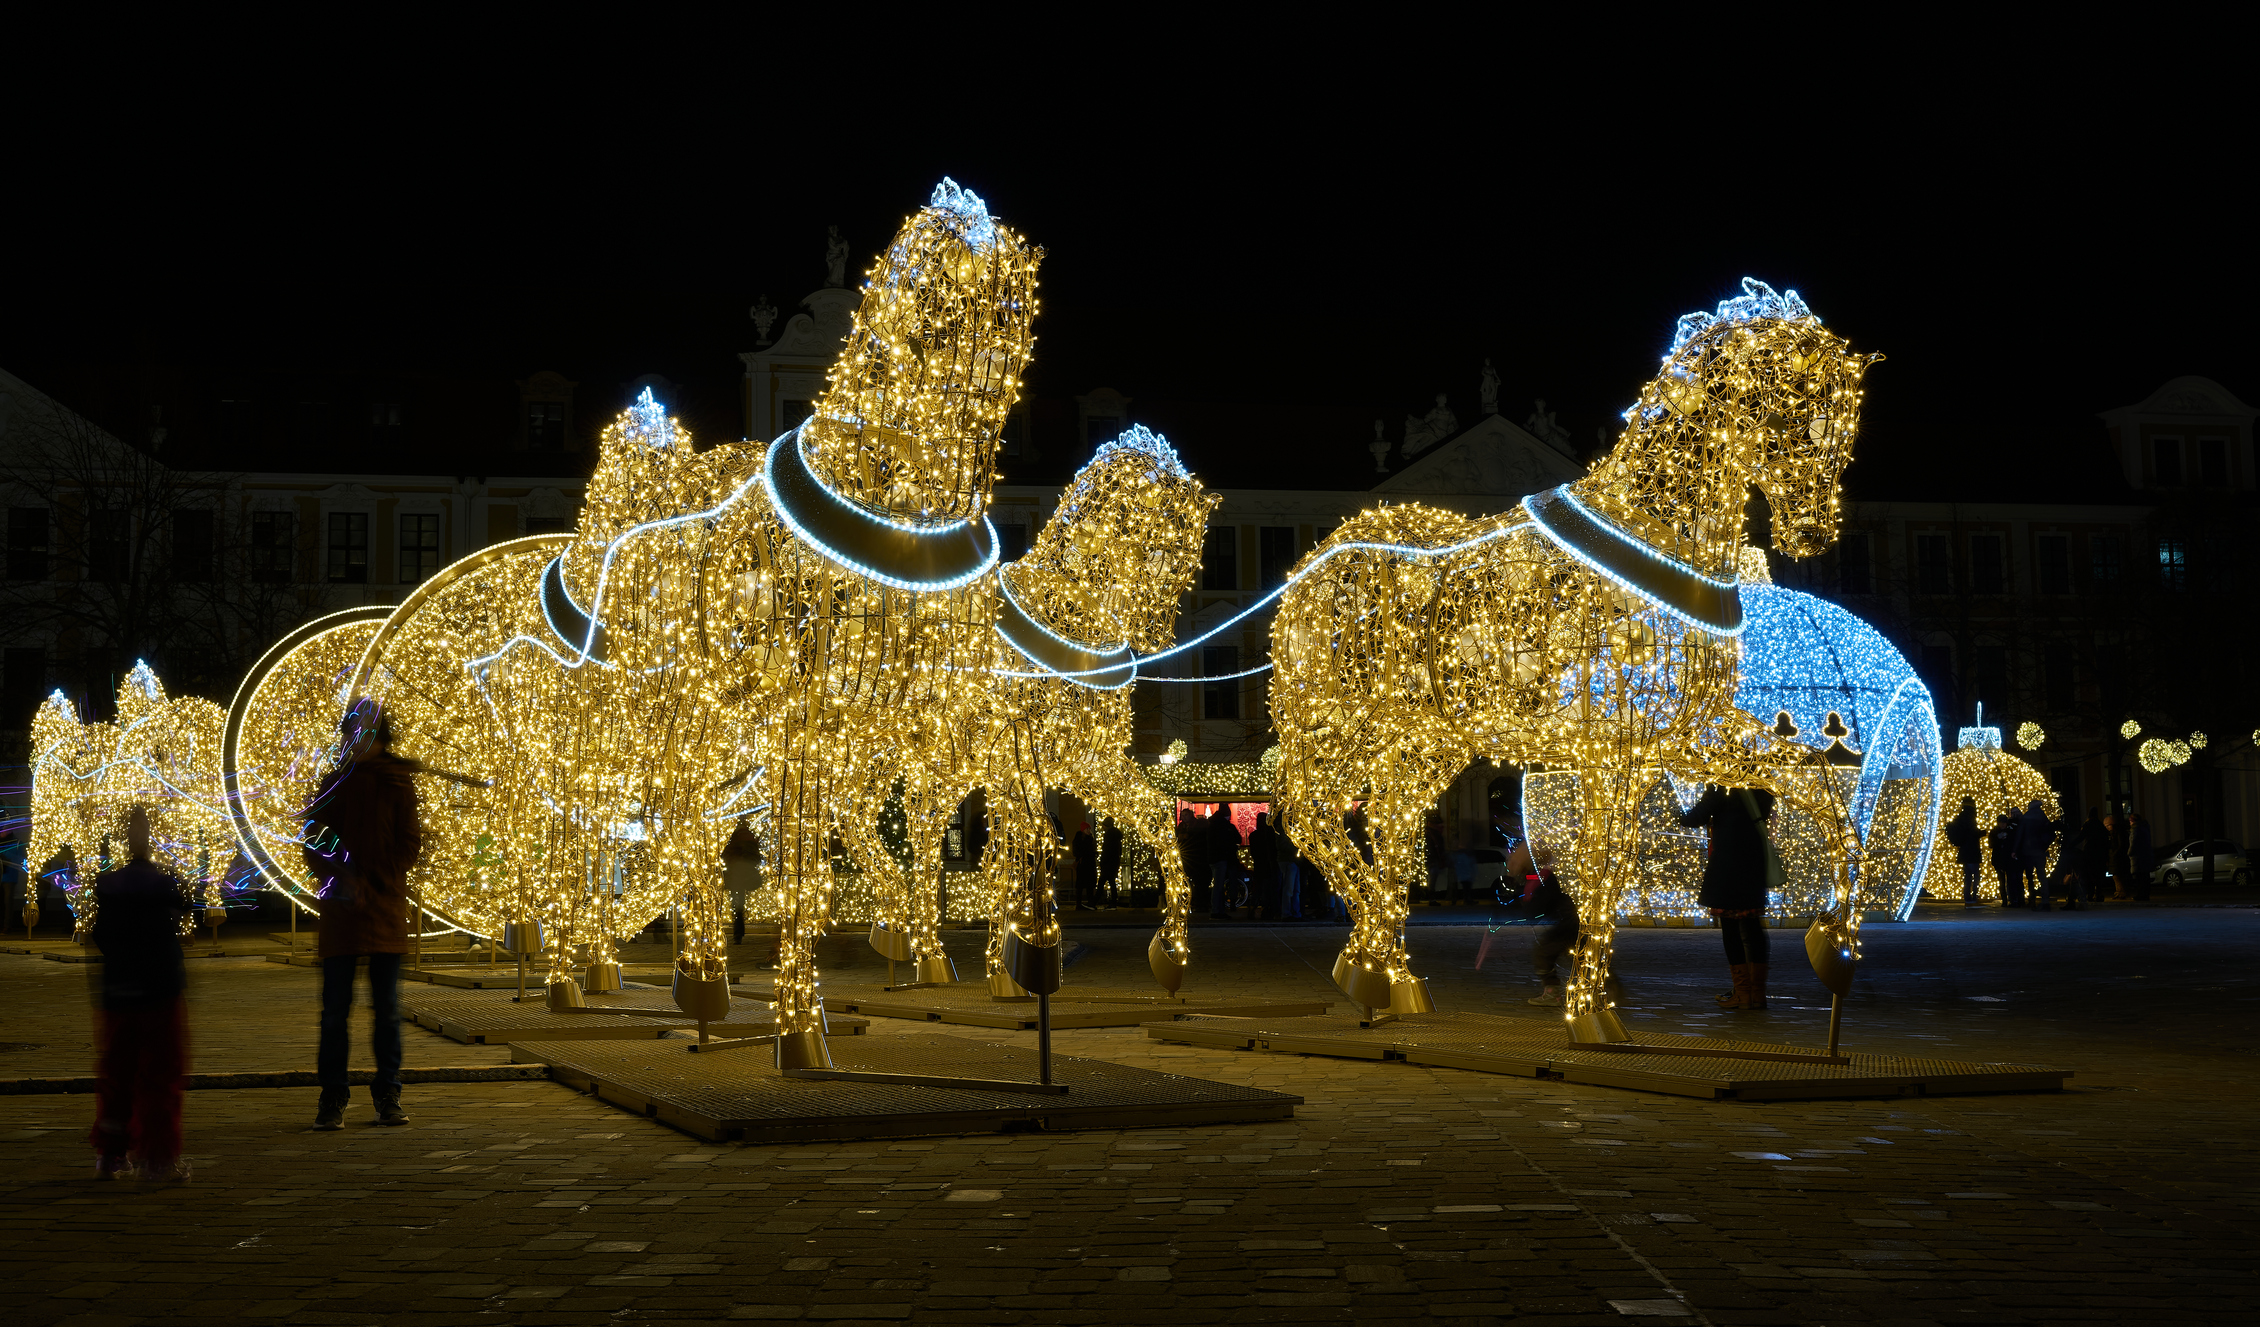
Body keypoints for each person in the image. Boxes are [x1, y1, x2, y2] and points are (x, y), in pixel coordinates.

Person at [301, 705, 423, 1130]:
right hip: (342, 911)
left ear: (382, 736)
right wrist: (344, 879)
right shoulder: (334, 783)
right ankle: (333, 1095)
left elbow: (410, 842)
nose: (361, 738)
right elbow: (312, 840)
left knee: (386, 1010)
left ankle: (388, 1092)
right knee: (335, 1010)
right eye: (354, 730)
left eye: (368, 731)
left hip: (384, 908)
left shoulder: (396, 783)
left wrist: (375, 879)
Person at [88, 806, 194, 1181]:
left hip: (119, 988)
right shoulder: (165, 882)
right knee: (160, 1073)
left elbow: (100, 934)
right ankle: (159, 1159)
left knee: (118, 1071)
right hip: (160, 986)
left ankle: (111, 1155)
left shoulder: (109, 883)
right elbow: (186, 906)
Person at [1677, 783, 1778, 1011]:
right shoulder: (1762, 785)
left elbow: (1695, 817)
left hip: (1728, 870)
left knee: (1731, 931)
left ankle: (1743, 995)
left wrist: (1679, 814)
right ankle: (1758, 994)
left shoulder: (1723, 787)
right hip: (1753, 866)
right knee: (1753, 929)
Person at [1495, 840, 1577, 1006]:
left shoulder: (1545, 875)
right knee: (1560, 953)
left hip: (1569, 922)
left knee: (1544, 953)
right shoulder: (1542, 873)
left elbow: (1540, 903)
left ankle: (1553, 994)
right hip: (1569, 920)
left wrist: (1525, 908)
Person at [723, 819, 761, 944]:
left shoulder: (733, 841)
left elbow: (725, 856)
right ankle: (739, 929)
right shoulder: (751, 840)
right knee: (741, 904)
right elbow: (757, 859)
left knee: (736, 904)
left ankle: (738, 932)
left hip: (735, 875)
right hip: (746, 875)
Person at [2015, 799, 2054, 911]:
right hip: (2040, 851)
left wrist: (2015, 849)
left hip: (2028, 851)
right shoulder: (2043, 816)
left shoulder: (2026, 817)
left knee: (2029, 876)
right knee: (2042, 875)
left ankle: (2032, 900)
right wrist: (2044, 845)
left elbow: (2020, 834)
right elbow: (2051, 833)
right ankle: (2045, 901)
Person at [1944, 796, 1982, 906]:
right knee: (1975, 876)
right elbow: (1973, 833)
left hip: (1964, 853)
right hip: (1972, 852)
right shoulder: (1970, 818)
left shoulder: (1960, 817)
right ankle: (1974, 897)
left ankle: (1967, 897)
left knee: (1968, 877)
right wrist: (1983, 833)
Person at [1208, 810, 1243, 918]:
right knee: (1221, 884)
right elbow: (1238, 839)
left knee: (1217, 885)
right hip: (1224, 857)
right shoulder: (1226, 827)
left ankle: (1217, 909)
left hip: (1214, 858)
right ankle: (1218, 910)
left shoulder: (1211, 826)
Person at [1989, 810, 2023, 908]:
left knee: (2011, 880)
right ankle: (2005, 900)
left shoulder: (2010, 831)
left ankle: (2013, 899)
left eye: (2004, 822)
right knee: (2002, 881)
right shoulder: (1995, 832)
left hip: (2008, 859)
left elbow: (2013, 843)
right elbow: (1991, 844)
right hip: (1999, 859)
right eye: (2001, 823)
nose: (2002, 824)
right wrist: (1998, 839)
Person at [1178, 810, 1209, 914]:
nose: (1184, 817)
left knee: (1199, 882)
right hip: (1186, 857)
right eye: (1183, 815)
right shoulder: (1181, 827)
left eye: (1186, 815)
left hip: (1197, 858)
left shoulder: (1196, 825)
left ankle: (1199, 903)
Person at [1249, 812, 1279, 919]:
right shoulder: (1269, 834)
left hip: (1258, 864)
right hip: (1268, 864)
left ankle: (1252, 910)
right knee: (1267, 889)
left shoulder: (1253, 835)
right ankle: (1266, 910)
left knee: (1257, 889)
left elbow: (1252, 852)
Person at [1273, 819, 1303, 920]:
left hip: (1290, 860)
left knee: (1293, 888)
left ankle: (1292, 912)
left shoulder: (1282, 828)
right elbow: (1282, 845)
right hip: (1289, 860)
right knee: (1290, 888)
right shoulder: (1283, 829)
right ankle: (1289, 913)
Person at [2106, 808, 2133, 902]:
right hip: (2116, 858)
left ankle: (2121, 892)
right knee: (2117, 876)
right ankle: (2119, 892)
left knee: (2117, 877)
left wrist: (2113, 854)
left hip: (2117, 859)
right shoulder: (2117, 833)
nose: (2107, 828)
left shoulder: (2117, 834)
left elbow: (2120, 845)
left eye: (2107, 826)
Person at [1071, 820, 1097, 910]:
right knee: (1082, 885)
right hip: (1083, 865)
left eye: (1089, 829)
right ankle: (1080, 904)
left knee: (1088, 885)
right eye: (1087, 829)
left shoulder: (1089, 838)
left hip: (1088, 864)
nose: (1089, 831)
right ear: (1083, 830)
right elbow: (1079, 851)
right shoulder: (1082, 839)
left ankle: (1089, 903)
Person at [2130, 811, 2154, 901]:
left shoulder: (2136, 830)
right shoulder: (2145, 828)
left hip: (2139, 858)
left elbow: (2134, 843)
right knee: (2145, 877)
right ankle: (2145, 895)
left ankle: (2141, 895)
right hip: (2145, 857)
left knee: (2140, 878)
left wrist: (2129, 852)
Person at [1098, 819, 1122, 905]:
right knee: (1111, 882)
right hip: (1114, 862)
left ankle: (1095, 901)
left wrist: (1103, 861)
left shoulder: (1109, 835)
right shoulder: (1116, 835)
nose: (1102, 827)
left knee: (1102, 882)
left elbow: (1107, 850)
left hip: (1108, 862)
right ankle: (1113, 902)